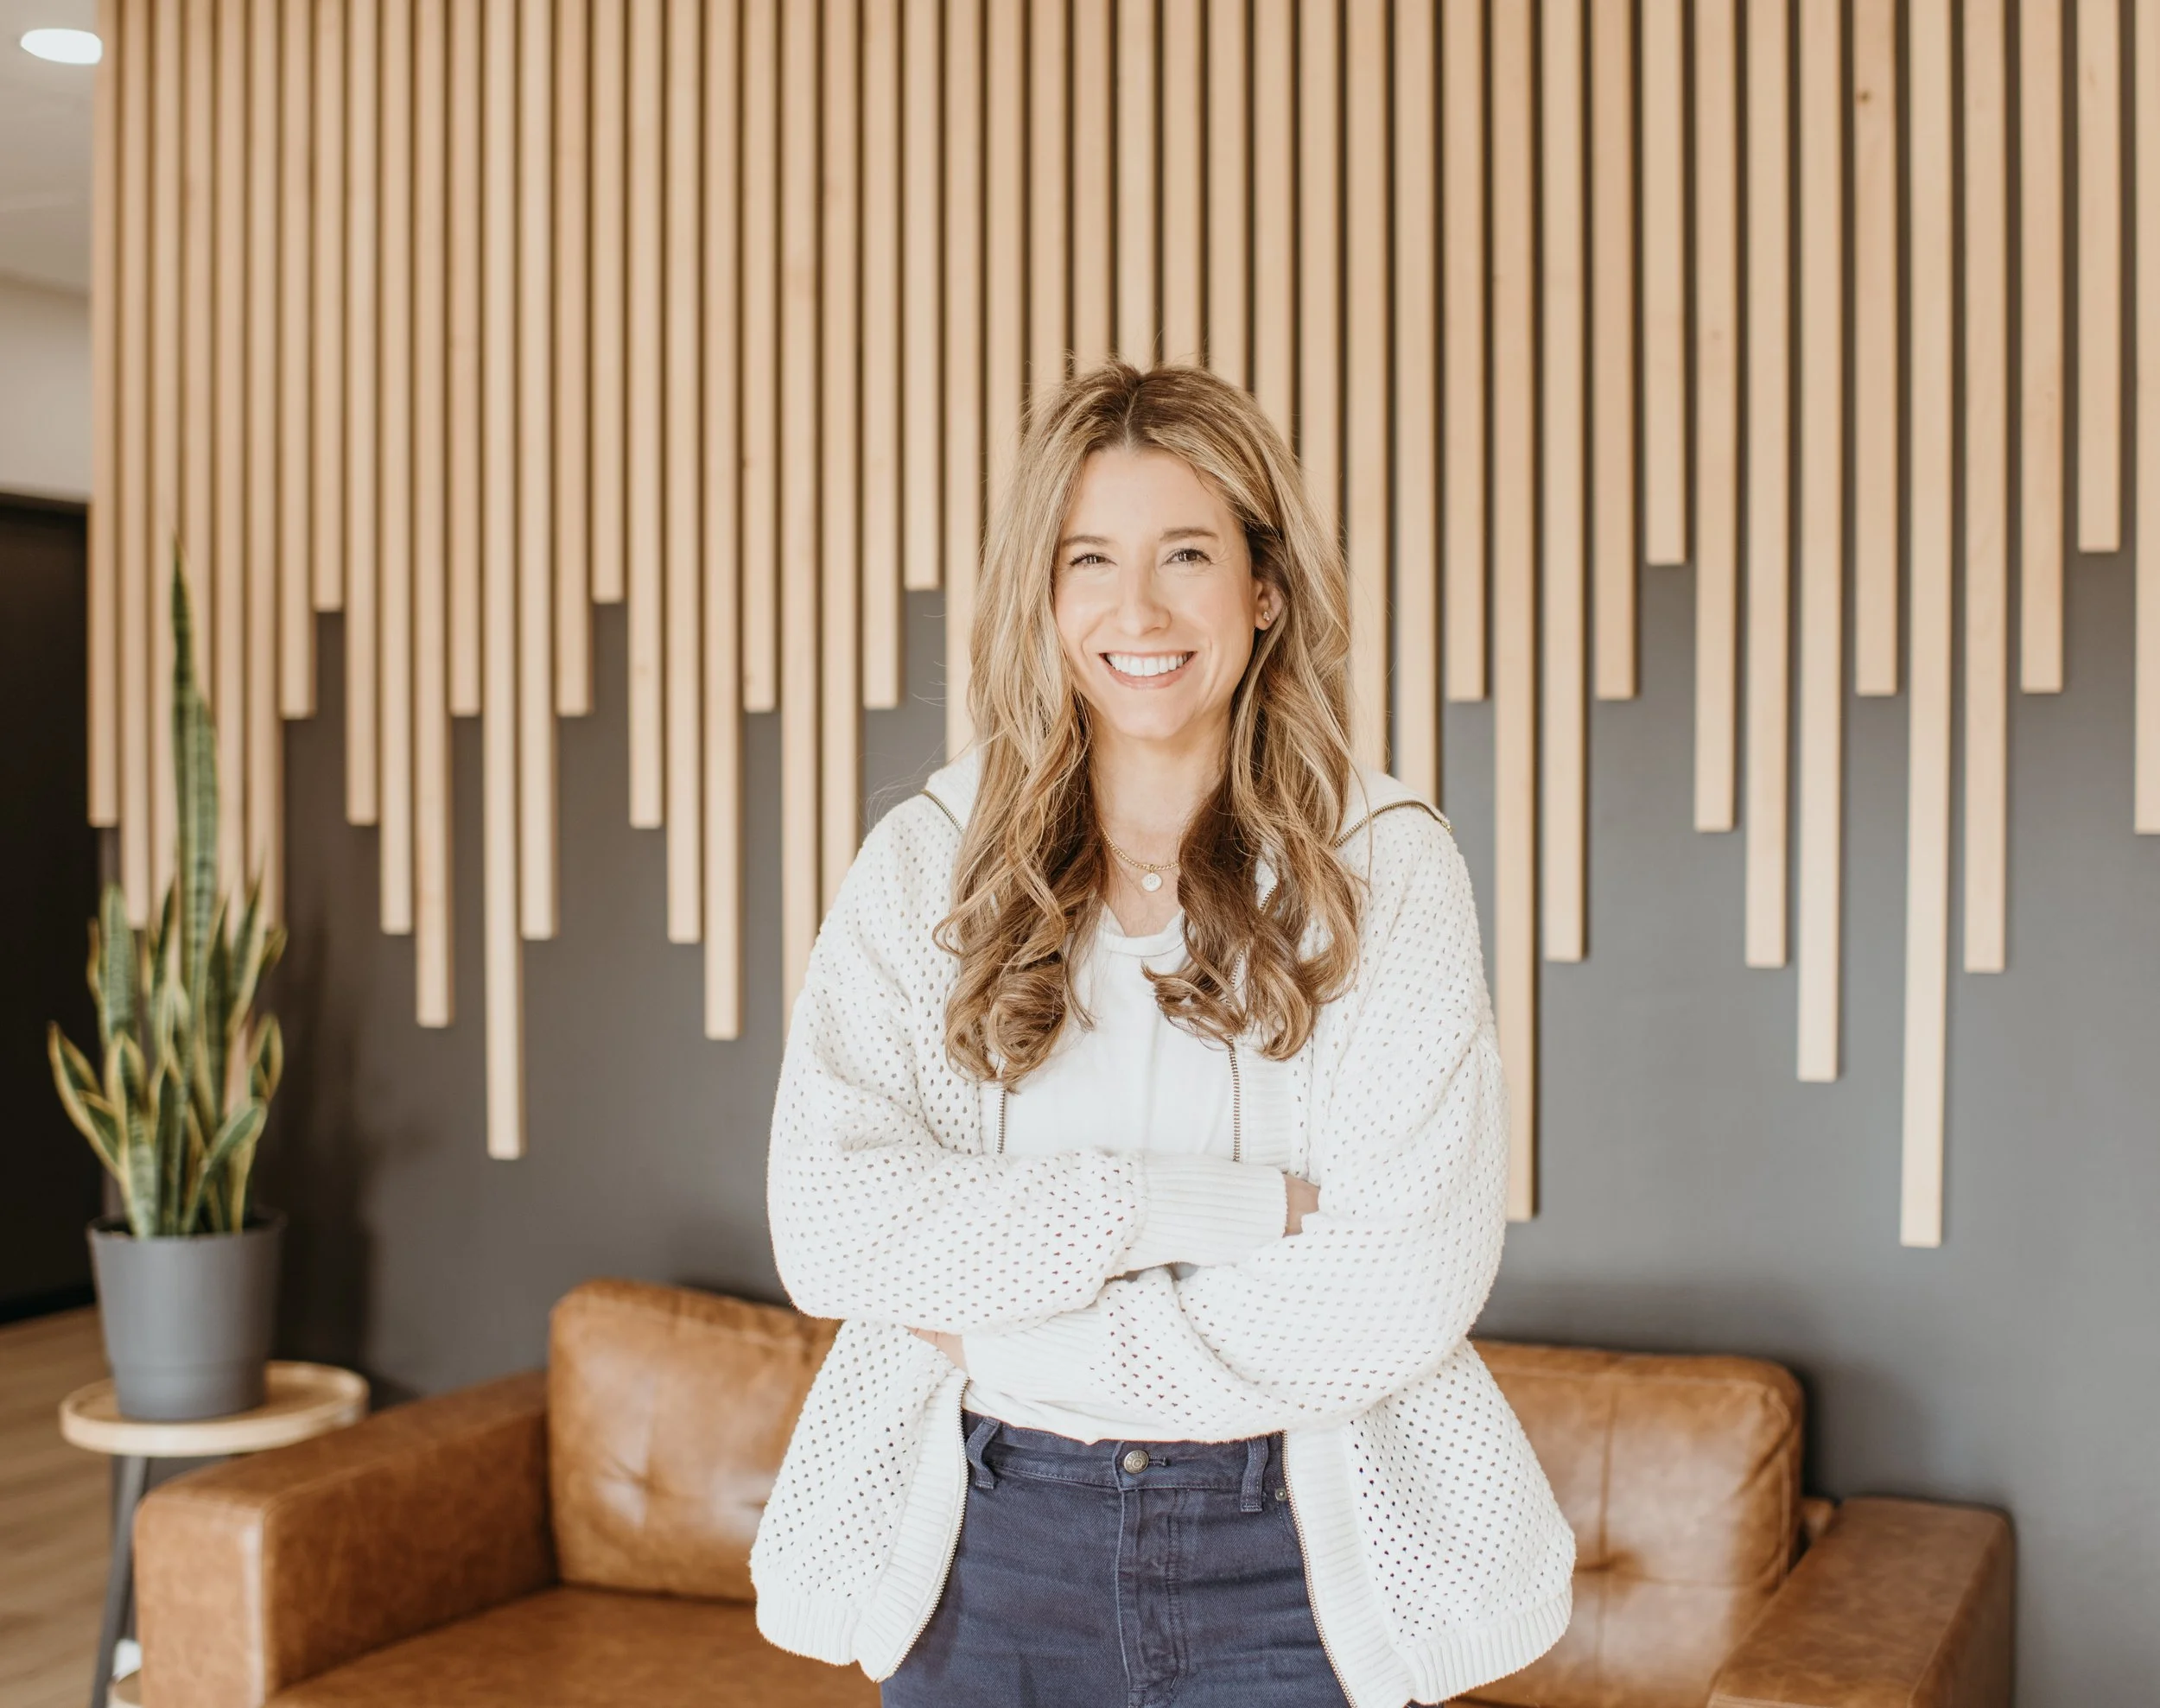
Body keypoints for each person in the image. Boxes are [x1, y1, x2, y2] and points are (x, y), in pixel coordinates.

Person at [749, 360, 1574, 1708]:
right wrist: (1210, 1207)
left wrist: (1006, 1332)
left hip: (1290, 1555)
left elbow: (1400, 1283)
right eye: (1090, 560)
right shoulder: (924, 866)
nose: (1137, 610)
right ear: (1046, 595)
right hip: (986, 1548)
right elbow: (832, 1229)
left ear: (1263, 588)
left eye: (1186, 553)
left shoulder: (1389, 871)